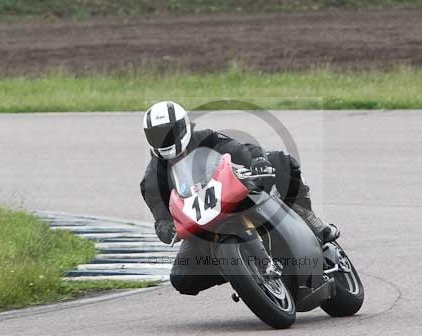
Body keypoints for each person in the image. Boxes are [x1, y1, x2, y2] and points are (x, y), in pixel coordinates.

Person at [139, 100, 338, 295]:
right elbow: (161, 218)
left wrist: (258, 160)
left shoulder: (206, 138)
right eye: (157, 135)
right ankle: (241, 271)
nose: (164, 140)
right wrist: (167, 229)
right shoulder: (151, 180)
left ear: (183, 126)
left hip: (233, 196)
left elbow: (239, 149)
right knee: (182, 278)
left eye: (169, 133)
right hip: (201, 225)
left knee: (280, 160)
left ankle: (305, 214)